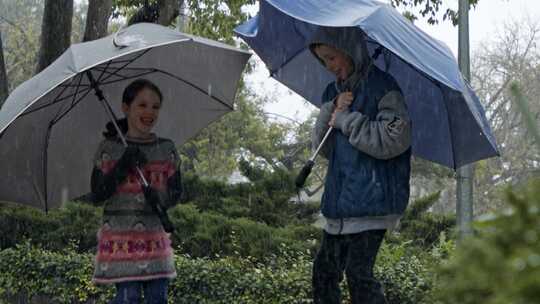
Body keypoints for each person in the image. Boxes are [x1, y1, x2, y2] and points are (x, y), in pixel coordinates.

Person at [309, 27, 412, 304]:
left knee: (359, 275)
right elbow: (325, 149)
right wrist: (330, 110)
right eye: (323, 61)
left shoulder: (383, 88)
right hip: (339, 203)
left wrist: (347, 120)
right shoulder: (333, 92)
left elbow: (395, 138)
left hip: (371, 202)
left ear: (349, 50)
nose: (329, 66)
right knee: (323, 273)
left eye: (332, 58)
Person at [90, 79, 182, 304]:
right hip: (121, 242)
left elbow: (177, 192)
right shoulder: (109, 148)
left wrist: (158, 199)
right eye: (142, 105)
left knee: (157, 298)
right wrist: (122, 166)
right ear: (125, 108)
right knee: (127, 298)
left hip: (155, 241)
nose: (149, 112)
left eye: (155, 106)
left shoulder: (166, 149)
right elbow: (97, 194)